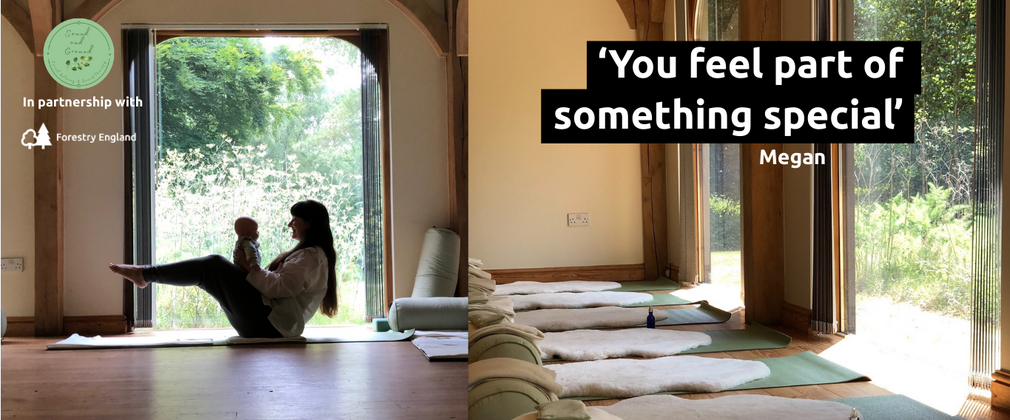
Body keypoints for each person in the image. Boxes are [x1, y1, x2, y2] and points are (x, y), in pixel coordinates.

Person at [109, 200, 339, 338]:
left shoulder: (312, 256)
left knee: (213, 265)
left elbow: (279, 289)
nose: (290, 224)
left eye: (295, 219)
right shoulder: (307, 254)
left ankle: (145, 274)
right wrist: (244, 268)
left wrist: (247, 268)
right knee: (211, 270)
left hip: (271, 326)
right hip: (267, 322)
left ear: (309, 222)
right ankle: (145, 274)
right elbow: (272, 284)